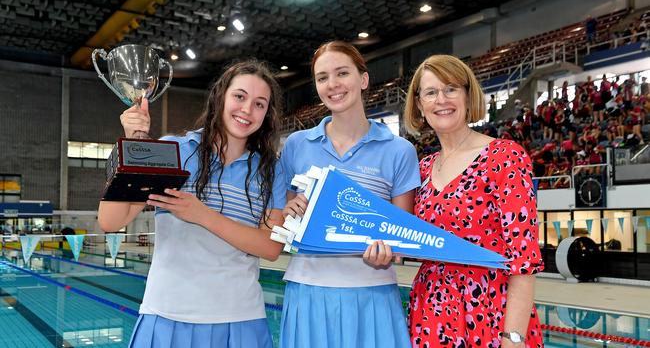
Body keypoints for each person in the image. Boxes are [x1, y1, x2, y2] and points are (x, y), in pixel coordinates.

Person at [98, 60, 286, 348]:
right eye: (239, 96)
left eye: (260, 104)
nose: (247, 110)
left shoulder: (270, 170)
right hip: (168, 314)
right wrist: (132, 142)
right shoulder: (177, 151)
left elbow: (271, 248)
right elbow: (111, 220)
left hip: (239, 318)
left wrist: (201, 215)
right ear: (220, 97)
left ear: (267, 113)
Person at [279, 41, 420, 348]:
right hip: (308, 290)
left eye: (342, 73)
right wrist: (290, 214)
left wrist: (390, 249)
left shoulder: (399, 151)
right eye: (322, 77)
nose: (332, 85)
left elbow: (403, 235)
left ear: (363, 79)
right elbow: (285, 217)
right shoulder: (296, 145)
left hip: (373, 293)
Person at [403, 54, 544, 347]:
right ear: (419, 104)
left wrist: (513, 338)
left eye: (451, 88)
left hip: (490, 312)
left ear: (468, 95)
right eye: (431, 92)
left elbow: (524, 260)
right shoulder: (422, 169)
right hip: (431, 313)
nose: (441, 99)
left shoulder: (505, 157)